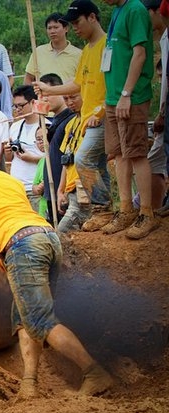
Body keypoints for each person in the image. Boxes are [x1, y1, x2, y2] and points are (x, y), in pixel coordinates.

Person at [0, 131, 113, 399]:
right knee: (24, 318)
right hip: (46, 236)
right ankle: (29, 385)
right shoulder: (7, 179)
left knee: (40, 320)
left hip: (20, 247)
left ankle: (94, 373)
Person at [33, 1, 112, 232]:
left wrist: (103, 110)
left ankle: (102, 206)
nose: (75, 28)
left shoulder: (107, 45)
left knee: (83, 159)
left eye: (77, 22)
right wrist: (48, 90)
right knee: (97, 164)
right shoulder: (87, 50)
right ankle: (103, 209)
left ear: (92, 18)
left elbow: (112, 83)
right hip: (87, 116)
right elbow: (76, 84)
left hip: (101, 115)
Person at [100, 0, 158, 239]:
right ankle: (126, 208)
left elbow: (140, 53)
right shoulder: (117, 10)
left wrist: (126, 93)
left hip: (130, 96)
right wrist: (111, 96)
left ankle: (147, 213)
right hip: (113, 97)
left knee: (136, 152)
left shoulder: (135, 9)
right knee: (118, 153)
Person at [39, 73, 76, 225]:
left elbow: (68, 159)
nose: (44, 99)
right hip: (51, 189)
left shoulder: (71, 119)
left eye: (47, 94)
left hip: (63, 190)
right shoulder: (53, 121)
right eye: (41, 96)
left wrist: (63, 190)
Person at [143, 0, 169, 211]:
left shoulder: (167, 37)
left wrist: (162, 113)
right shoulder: (164, 38)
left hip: (165, 110)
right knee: (156, 160)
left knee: (157, 160)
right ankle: (157, 207)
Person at [57, 91, 93, 232]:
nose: (69, 102)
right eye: (65, 98)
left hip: (86, 185)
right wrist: (61, 191)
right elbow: (66, 161)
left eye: (73, 97)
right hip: (71, 189)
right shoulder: (70, 124)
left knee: (61, 232)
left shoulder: (93, 120)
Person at [5, 85, 44, 212]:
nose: (18, 110)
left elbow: (53, 158)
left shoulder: (46, 125)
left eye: (21, 106)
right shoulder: (14, 127)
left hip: (37, 188)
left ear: (33, 102)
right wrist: (8, 152)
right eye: (15, 106)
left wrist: (32, 158)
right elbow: (9, 159)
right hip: (16, 188)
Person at [24, 12, 83, 84]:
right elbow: (28, 78)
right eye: (49, 28)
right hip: (43, 94)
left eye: (56, 27)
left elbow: (83, 82)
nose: (52, 31)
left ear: (66, 28)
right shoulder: (38, 51)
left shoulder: (79, 54)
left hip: (68, 94)